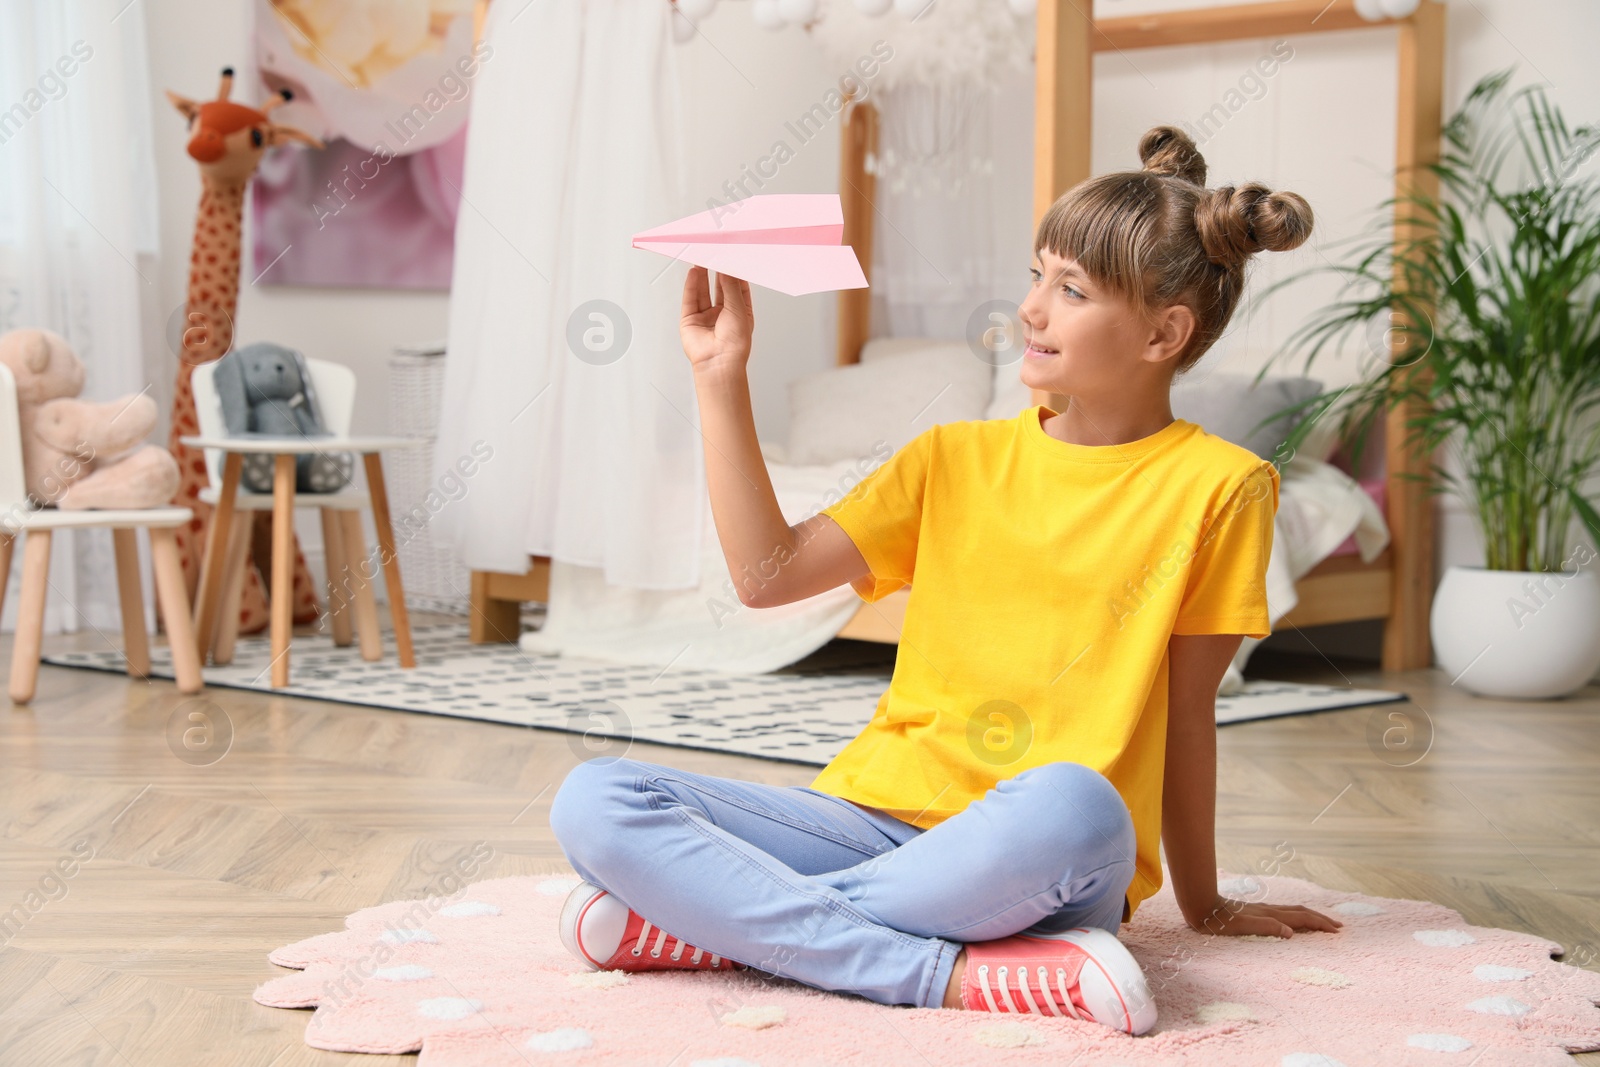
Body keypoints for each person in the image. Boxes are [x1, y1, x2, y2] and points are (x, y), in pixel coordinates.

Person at [547, 124, 1344, 1035]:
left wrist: (1203, 904)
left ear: (1165, 332)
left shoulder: (1222, 487)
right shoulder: (951, 458)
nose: (1032, 309)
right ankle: (939, 971)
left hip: (1043, 853)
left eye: (1072, 289)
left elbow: (1189, 714)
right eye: (1037, 273)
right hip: (870, 817)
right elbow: (766, 578)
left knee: (1076, 798)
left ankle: (723, 929)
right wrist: (720, 374)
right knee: (598, 798)